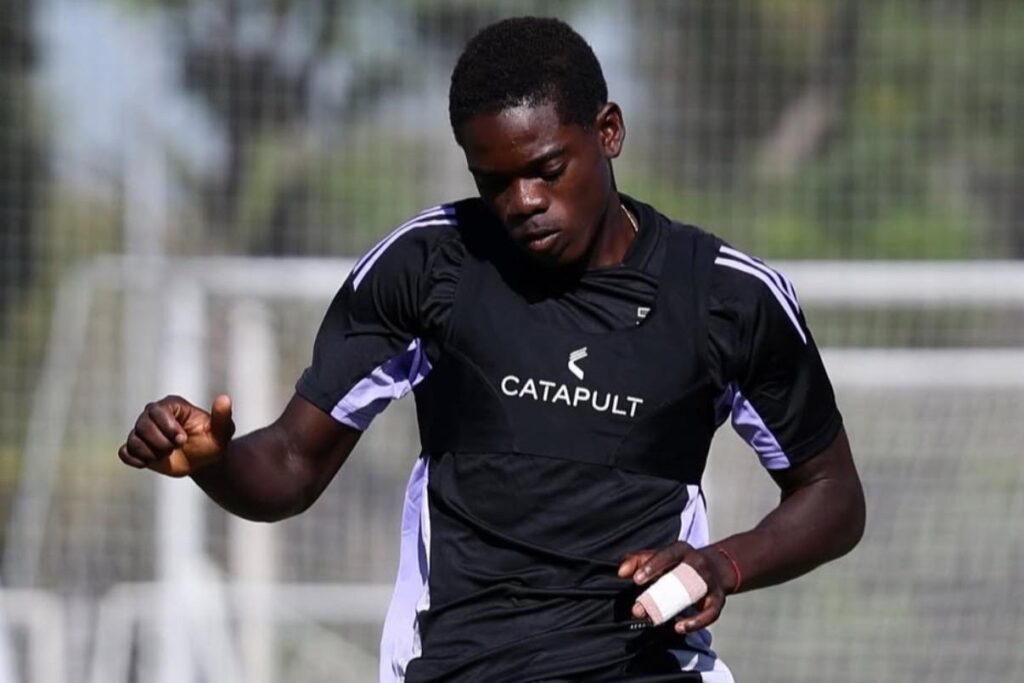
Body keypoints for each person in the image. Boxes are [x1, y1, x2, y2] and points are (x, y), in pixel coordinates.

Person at [118, 16, 865, 683]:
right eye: (493, 181)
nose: (523, 203)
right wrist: (215, 461)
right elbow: (288, 465)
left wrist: (722, 564)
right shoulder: (428, 266)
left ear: (607, 132)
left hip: (647, 668)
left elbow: (833, 495)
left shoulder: (723, 297)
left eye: (546, 170)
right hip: (457, 664)